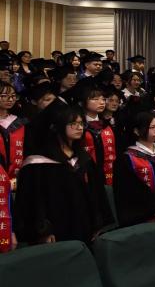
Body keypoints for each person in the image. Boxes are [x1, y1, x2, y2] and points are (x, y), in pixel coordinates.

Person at [13, 104, 110, 245]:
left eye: (81, 123)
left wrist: (97, 223)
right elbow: (34, 200)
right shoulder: (39, 162)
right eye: (73, 124)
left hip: (84, 226)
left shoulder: (83, 158)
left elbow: (96, 193)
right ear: (58, 126)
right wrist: (43, 231)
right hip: (56, 231)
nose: (79, 128)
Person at [113, 111, 155, 227]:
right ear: (137, 131)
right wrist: (154, 209)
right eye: (152, 127)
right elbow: (128, 190)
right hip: (141, 215)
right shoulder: (127, 158)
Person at [0, 82, 27, 251]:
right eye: (4, 96)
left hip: (19, 181)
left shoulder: (21, 123)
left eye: (12, 96)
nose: (10, 99)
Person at [78, 85, 118, 187]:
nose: (102, 102)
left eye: (103, 99)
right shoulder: (79, 126)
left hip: (107, 172)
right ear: (83, 102)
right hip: (87, 172)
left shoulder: (107, 124)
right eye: (95, 99)